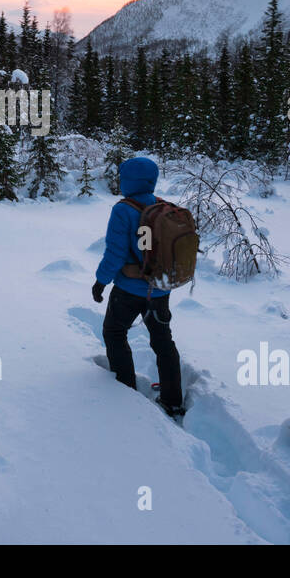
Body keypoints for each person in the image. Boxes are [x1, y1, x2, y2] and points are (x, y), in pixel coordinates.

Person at [91, 156, 183, 414]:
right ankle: (173, 399)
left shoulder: (123, 210)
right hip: (160, 289)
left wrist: (100, 281)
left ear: (129, 181)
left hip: (129, 290)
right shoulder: (163, 206)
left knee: (114, 332)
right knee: (164, 342)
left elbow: (115, 253)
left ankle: (125, 388)